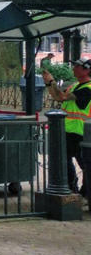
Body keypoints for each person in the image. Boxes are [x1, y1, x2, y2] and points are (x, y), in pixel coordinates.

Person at [43, 58, 91, 193]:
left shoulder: (88, 89)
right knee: (65, 160)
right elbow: (58, 96)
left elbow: (62, 97)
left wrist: (51, 81)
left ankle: (84, 192)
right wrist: (48, 83)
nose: (74, 68)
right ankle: (72, 188)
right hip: (68, 130)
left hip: (80, 132)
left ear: (87, 70)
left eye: (77, 66)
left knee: (85, 164)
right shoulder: (75, 85)